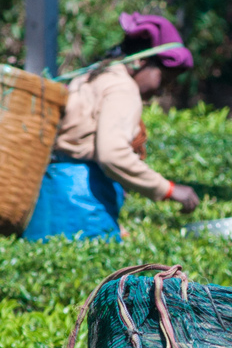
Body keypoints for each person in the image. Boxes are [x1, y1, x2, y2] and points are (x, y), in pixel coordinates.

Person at [23, 13, 201, 242]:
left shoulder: (94, 75)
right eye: (163, 79)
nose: (161, 92)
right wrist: (168, 189)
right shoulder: (123, 88)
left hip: (50, 191)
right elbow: (112, 154)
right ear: (140, 62)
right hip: (83, 203)